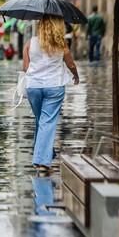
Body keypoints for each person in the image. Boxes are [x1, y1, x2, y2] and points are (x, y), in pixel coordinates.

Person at [23, 16, 80, 171]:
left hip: (33, 87)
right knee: (47, 122)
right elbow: (71, 64)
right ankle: (41, 161)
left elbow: (25, 68)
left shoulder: (30, 43)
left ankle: (47, 152)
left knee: (41, 120)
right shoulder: (61, 44)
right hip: (54, 86)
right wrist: (76, 75)